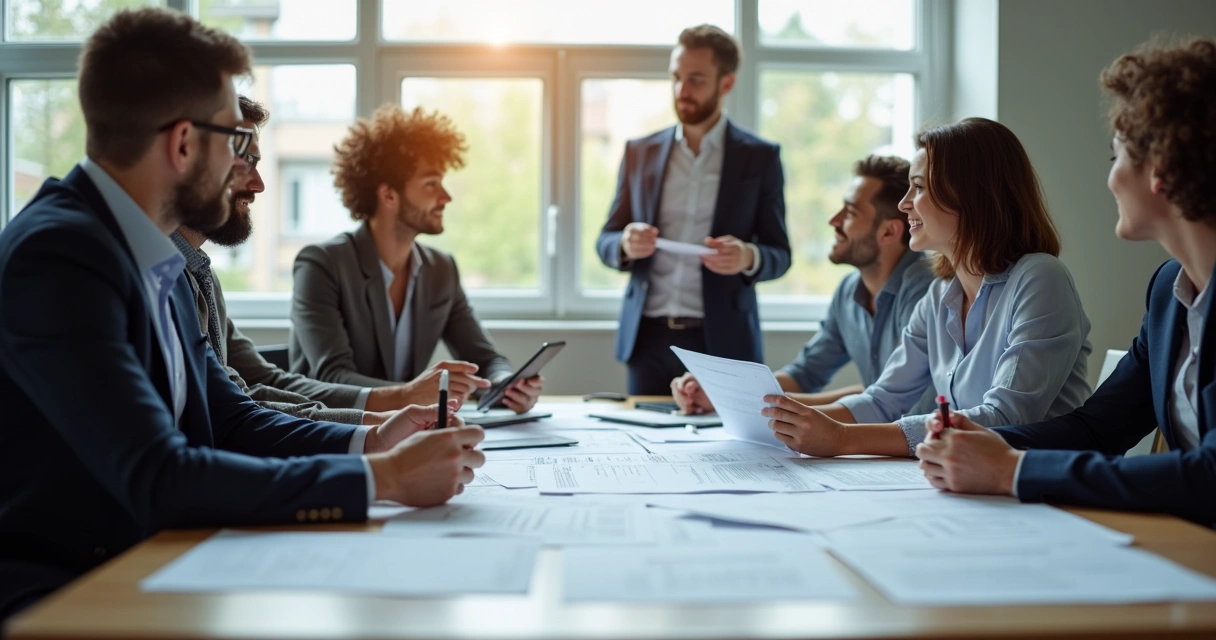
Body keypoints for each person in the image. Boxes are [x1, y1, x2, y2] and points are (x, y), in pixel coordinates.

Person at [0, 9, 483, 622]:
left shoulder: (155, 254)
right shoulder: (60, 255)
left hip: (158, 559)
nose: (242, 167)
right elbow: (159, 474)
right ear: (181, 143)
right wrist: (382, 481)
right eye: (234, 140)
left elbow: (231, 421)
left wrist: (371, 442)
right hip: (69, 589)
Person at [915, 38, 1216, 526]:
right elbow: (1098, 429)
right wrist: (982, 440)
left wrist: (1012, 469)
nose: (1111, 178)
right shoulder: (1169, 291)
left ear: (1158, 169)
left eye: (1115, 157)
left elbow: (1209, 475)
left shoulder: (1041, 275)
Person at [763, 117, 1093, 458]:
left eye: (918, 187)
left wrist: (844, 438)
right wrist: (780, 419)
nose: (905, 203)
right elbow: (882, 400)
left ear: (969, 194)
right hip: (974, 482)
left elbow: (1005, 418)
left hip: (1046, 492)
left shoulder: (1040, 278)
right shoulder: (939, 295)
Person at [172, 96, 418, 426]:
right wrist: (375, 424)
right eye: (244, 161)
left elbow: (259, 381)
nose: (259, 184)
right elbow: (233, 408)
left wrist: (380, 419)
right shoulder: (160, 276)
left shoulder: (200, 272)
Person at [289, 105, 542, 414]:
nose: (445, 197)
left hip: (407, 433)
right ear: (389, 195)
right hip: (332, 433)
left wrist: (506, 384)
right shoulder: (322, 265)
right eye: (431, 184)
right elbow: (331, 376)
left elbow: (486, 359)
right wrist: (415, 392)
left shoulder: (441, 270)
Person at [595, 24, 791, 394]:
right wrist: (624, 244)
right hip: (647, 338)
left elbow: (780, 254)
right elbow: (605, 239)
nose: (681, 92)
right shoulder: (640, 152)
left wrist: (748, 256)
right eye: (676, 78)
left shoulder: (760, 158)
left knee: (727, 450)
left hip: (724, 342)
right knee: (644, 448)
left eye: (696, 80)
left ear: (726, 84)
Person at [671, 155, 935, 414]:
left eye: (851, 212)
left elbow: (902, 405)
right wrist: (721, 391)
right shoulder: (848, 291)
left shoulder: (925, 288)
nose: (834, 220)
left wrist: (753, 402)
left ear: (888, 231)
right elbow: (807, 373)